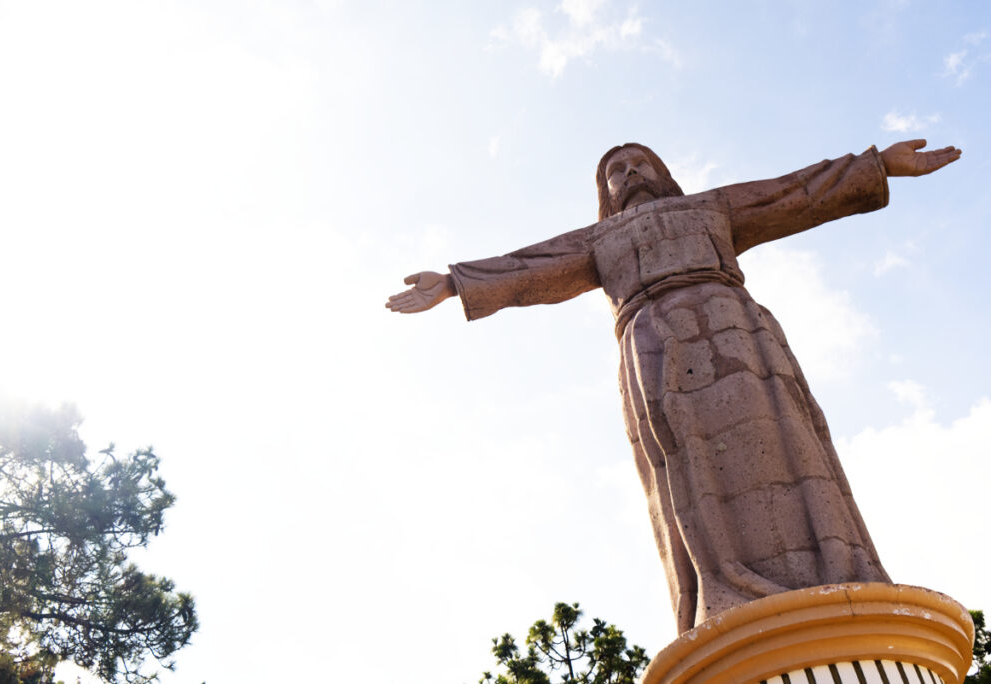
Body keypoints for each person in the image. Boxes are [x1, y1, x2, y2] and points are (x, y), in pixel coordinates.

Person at [386, 139, 961, 633]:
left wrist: (877, 165)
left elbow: (791, 193)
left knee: (790, 439)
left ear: (662, 172)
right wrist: (455, 283)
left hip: (739, 332)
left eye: (639, 162)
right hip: (655, 348)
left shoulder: (710, 207)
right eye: (616, 170)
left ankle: (838, 570)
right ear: (605, 191)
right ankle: (725, 592)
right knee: (688, 470)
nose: (629, 173)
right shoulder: (597, 239)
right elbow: (528, 265)